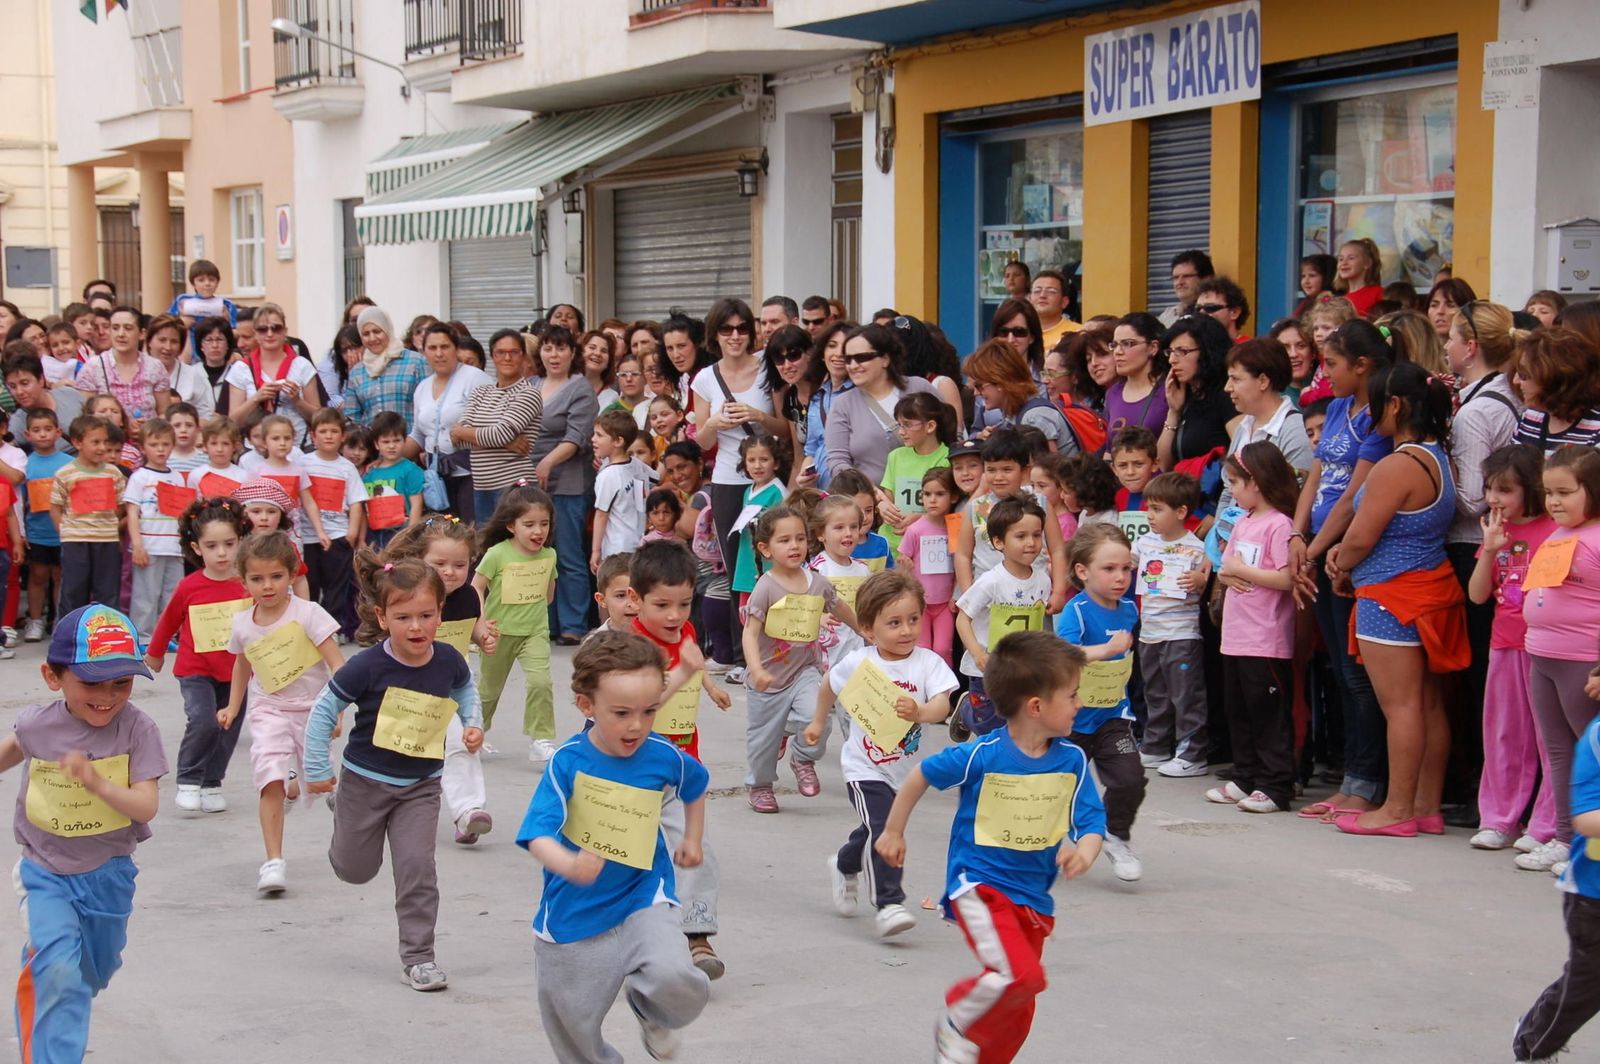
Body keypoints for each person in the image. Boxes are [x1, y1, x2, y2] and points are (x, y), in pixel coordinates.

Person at [874, 630, 1104, 1064]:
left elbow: (1091, 821)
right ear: (1036, 707)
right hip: (979, 886)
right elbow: (923, 773)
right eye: (1072, 695)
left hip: (1033, 899)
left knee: (1020, 1001)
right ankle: (955, 1024)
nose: (1080, 703)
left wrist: (1085, 852)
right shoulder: (983, 755)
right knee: (1017, 975)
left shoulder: (1072, 760)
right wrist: (893, 830)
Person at [517, 631, 712, 1064]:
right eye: (622, 713)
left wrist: (693, 838)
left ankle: (652, 1010)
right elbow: (536, 833)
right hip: (573, 912)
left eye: (648, 711)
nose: (637, 726)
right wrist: (569, 864)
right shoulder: (568, 762)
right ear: (587, 706)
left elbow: (695, 786)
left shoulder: (662, 753)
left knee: (676, 976)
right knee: (571, 1023)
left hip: (644, 894)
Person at [306, 556, 483, 992]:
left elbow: (464, 687)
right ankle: (341, 809)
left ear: (441, 613)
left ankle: (419, 957)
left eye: (426, 615)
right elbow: (325, 709)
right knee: (354, 870)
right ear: (383, 618)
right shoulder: (367, 666)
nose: (416, 627)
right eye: (403, 617)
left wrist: (473, 722)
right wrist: (316, 767)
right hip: (364, 780)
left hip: (420, 787)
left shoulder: (447, 660)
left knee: (417, 867)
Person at [5, 604, 167, 1064]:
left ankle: (53, 967)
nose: (108, 696)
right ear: (53, 677)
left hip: (109, 875)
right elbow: (17, 746)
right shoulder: (40, 723)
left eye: (122, 682)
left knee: (94, 971)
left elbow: (146, 804)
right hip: (46, 870)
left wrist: (96, 781)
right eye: (91, 682)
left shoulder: (139, 729)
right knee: (58, 972)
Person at [1327, 363, 1465, 837]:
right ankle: (1425, 806)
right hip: (1432, 588)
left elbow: (1362, 537)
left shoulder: (1396, 465)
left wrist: (1339, 562)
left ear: (1396, 406)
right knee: (1427, 705)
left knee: (1400, 706)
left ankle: (1398, 809)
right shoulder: (1437, 458)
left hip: (1391, 596)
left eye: (1377, 401)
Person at [804, 569, 958, 940]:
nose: (906, 630)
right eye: (894, 623)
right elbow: (829, 684)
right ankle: (889, 903)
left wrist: (921, 712)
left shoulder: (928, 662)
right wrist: (817, 720)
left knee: (875, 827)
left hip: (904, 771)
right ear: (869, 629)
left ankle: (844, 864)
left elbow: (942, 704)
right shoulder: (861, 663)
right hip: (864, 765)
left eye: (912, 620)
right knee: (886, 827)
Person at [1290, 320, 1394, 821]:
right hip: (1316, 544)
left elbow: (1356, 493)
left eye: (1331, 364)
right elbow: (1316, 477)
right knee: (1336, 667)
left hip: (1347, 552)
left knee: (1357, 676)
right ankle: (1354, 778)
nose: (1323, 373)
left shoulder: (1378, 417)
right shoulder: (1333, 408)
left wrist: (1318, 550)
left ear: (1363, 366)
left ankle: (1365, 781)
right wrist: (1296, 535)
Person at [218, 531, 344, 893]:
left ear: (292, 575)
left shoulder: (308, 614)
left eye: (276, 576)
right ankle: (273, 861)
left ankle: (323, 787)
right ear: (243, 581)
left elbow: (337, 664)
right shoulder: (243, 623)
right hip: (268, 708)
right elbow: (243, 665)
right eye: (257, 579)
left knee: (318, 782)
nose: (267, 586)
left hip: (314, 709)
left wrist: (336, 711)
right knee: (268, 776)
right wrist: (232, 706)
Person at [1466, 445, 1558, 854]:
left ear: (1531, 489)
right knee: (1504, 733)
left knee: (1549, 737)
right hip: (1504, 644)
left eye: (1505, 489)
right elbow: (1478, 594)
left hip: (1546, 648)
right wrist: (1489, 548)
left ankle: (1547, 825)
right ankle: (1499, 818)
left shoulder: (1555, 530)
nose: (1494, 499)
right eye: (1489, 488)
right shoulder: (1494, 533)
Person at [1515, 445, 1600, 875]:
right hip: (1542, 655)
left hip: (1583, 660)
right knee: (1559, 752)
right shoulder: (1557, 533)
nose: (1554, 502)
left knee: (1593, 753)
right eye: (1549, 492)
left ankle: (1591, 843)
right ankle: (1567, 839)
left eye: (1565, 492)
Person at [740, 506, 858, 813]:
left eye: (800, 539)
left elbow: (838, 606)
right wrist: (756, 670)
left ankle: (803, 757)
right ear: (765, 548)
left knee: (816, 717)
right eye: (784, 540)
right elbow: (750, 634)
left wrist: (864, 630)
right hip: (767, 678)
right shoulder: (765, 587)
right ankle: (761, 785)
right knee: (763, 742)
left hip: (805, 670)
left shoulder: (817, 582)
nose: (794, 546)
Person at [1207, 443, 1300, 813]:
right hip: (1236, 635)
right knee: (1239, 708)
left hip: (1266, 637)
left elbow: (1285, 578)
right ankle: (1246, 775)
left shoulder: (1279, 523)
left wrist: (1242, 573)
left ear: (1257, 483)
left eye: (1236, 482)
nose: (1232, 489)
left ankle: (1276, 783)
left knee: (1267, 712)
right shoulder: (1243, 520)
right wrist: (1232, 574)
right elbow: (1225, 565)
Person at [145, 496, 251, 811]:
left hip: (236, 672)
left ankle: (212, 783)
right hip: (196, 669)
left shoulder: (248, 585)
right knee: (204, 720)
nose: (222, 553)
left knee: (227, 727)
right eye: (212, 545)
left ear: (241, 542)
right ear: (197, 549)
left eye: (229, 544)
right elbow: (168, 621)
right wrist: (156, 652)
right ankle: (189, 778)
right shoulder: (190, 586)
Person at [1056, 524, 1147, 881]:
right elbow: (1064, 654)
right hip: (1071, 718)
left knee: (1131, 779)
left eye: (1126, 568)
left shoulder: (1128, 611)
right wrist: (1105, 651)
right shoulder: (1075, 611)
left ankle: (1115, 834)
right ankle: (1036, 844)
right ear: (1082, 571)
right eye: (1109, 569)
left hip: (1113, 714)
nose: (1120, 577)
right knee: (1059, 789)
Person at [1130, 473, 1210, 777]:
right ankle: (1155, 746)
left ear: (1181, 512)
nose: (1150, 516)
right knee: (1156, 692)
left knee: (1186, 695)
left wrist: (1200, 580)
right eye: (1149, 508)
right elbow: (1129, 560)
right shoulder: (1146, 541)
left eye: (1158, 509)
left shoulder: (1194, 547)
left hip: (1181, 635)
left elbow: (1204, 581)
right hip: (1150, 633)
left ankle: (1192, 754)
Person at [473, 484, 559, 763]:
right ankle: (475, 732)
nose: (538, 531)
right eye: (529, 524)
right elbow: (476, 587)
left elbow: (548, 595)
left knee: (540, 683)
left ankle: (541, 738)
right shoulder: (497, 553)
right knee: (488, 690)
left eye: (544, 524)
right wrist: (482, 622)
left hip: (534, 631)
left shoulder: (549, 555)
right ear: (511, 525)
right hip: (498, 632)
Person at [953, 497, 1053, 736]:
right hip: (987, 667)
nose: (1031, 543)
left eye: (1037, 535)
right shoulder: (990, 581)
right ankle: (967, 709)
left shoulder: (1043, 579)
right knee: (986, 723)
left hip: (1022, 666)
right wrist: (978, 654)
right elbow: (963, 618)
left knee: (1015, 721)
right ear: (999, 542)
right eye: (1020, 536)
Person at [529, 325, 600, 645]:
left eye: (560, 348)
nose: (553, 355)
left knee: (568, 555)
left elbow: (576, 437)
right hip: (531, 483)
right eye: (547, 348)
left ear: (573, 353)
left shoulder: (580, 388)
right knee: (539, 555)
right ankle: (548, 622)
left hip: (569, 482)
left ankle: (573, 623)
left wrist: (548, 462)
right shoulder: (531, 384)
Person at [823, 323, 941, 484]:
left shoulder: (919, 388)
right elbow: (837, 460)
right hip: (872, 502)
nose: (853, 365)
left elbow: (950, 435)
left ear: (885, 359)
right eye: (848, 359)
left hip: (934, 497)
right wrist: (870, 492)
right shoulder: (843, 404)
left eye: (862, 357)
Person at [454, 328, 543, 524]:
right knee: (487, 550)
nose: (507, 358)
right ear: (493, 356)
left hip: (515, 486)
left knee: (515, 549)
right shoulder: (480, 392)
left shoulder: (529, 394)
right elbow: (457, 442)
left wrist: (462, 430)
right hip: (481, 487)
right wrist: (505, 443)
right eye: (501, 352)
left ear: (523, 357)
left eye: (514, 352)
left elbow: (499, 434)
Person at [298, 409, 368, 640]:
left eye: (334, 431)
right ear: (313, 435)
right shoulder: (303, 462)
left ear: (342, 436)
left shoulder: (346, 467)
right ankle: (307, 629)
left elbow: (357, 502)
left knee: (335, 587)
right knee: (309, 584)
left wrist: (352, 533)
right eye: (323, 431)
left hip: (338, 535)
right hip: (307, 537)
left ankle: (333, 629)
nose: (328, 436)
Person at [410, 323, 490, 520]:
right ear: (424, 352)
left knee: (473, 533)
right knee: (444, 535)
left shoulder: (474, 378)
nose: (439, 353)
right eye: (432, 348)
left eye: (444, 347)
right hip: (437, 476)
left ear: (456, 349)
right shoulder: (422, 387)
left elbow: (495, 423)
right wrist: (384, 457)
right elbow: (418, 434)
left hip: (472, 473)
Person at [50, 415, 125, 617]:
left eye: (105, 442)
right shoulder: (65, 473)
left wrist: (109, 525)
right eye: (95, 442)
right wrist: (64, 532)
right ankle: (69, 638)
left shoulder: (114, 473)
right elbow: (55, 506)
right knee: (73, 591)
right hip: (75, 540)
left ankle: (107, 637)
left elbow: (120, 505)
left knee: (107, 591)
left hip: (106, 540)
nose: (102, 448)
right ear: (77, 442)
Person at [121, 417, 186, 643]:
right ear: (143, 447)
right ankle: (143, 637)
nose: (161, 450)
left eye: (166, 444)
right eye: (154, 444)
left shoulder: (177, 477)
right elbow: (132, 512)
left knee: (172, 595)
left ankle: (167, 636)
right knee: (145, 596)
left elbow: (183, 514)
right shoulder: (140, 477)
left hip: (174, 546)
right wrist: (137, 545)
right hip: (149, 545)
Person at [223, 303, 322, 447]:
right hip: (256, 451)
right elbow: (233, 422)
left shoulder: (302, 365)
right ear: (256, 333)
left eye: (276, 328)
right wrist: (256, 398)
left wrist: (297, 401)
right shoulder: (241, 368)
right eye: (263, 329)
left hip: (296, 448)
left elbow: (319, 418)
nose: (270, 334)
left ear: (285, 331)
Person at [964, 340, 1076, 455]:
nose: (976, 393)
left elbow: (1049, 469)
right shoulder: (1016, 414)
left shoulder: (1034, 417)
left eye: (979, 386)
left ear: (1000, 382)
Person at [897, 467, 959, 667]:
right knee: (921, 648)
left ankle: (945, 694)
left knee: (943, 649)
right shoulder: (915, 530)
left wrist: (955, 594)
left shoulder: (955, 529)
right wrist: (905, 567)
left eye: (940, 494)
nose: (932, 500)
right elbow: (902, 563)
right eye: (927, 494)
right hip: (919, 604)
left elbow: (961, 562)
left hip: (944, 604)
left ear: (953, 497)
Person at [877, 392, 954, 549]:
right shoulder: (896, 456)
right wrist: (882, 506)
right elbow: (888, 498)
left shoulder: (949, 458)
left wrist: (920, 517)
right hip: (889, 544)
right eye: (899, 425)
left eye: (908, 424)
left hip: (927, 545)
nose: (901, 431)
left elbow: (951, 507)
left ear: (930, 426)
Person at [1158, 313, 1235, 470]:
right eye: (1170, 352)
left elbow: (1244, 454)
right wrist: (1173, 412)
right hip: (1183, 491)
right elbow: (1162, 465)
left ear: (1207, 352)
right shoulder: (1184, 396)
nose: (1172, 359)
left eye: (1182, 351)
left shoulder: (1227, 395)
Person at [74, 307, 171, 424]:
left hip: (149, 438)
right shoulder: (93, 367)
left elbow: (164, 413)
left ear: (141, 334)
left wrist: (147, 429)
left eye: (128, 328)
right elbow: (86, 417)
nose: (121, 334)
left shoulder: (155, 367)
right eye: (115, 328)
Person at [1512, 327, 1600, 455]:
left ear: (1553, 380)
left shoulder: (1596, 429)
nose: (1515, 381)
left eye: (1524, 375)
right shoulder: (1530, 418)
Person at [20, 409, 69, 641]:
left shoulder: (69, 463)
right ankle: (35, 620)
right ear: (27, 434)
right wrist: (22, 531)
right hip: (37, 532)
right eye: (37, 430)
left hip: (64, 532)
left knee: (61, 576)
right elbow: (20, 502)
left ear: (58, 432)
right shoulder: (25, 465)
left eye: (48, 429)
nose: (43, 435)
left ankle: (60, 620)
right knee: (38, 575)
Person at [343, 306, 428, 430]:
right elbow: (352, 418)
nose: (372, 338)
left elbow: (428, 408)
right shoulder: (357, 372)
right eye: (366, 334)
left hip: (411, 445)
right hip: (372, 446)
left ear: (387, 329)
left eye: (377, 331)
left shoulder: (416, 362)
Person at [589, 410, 652, 571]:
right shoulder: (638, 465)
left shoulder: (608, 476)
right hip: (638, 541)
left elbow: (602, 515)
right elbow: (656, 478)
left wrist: (595, 551)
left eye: (599, 435)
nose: (593, 439)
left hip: (616, 549)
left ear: (618, 441)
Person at [363, 411, 425, 549]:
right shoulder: (369, 473)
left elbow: (416, 504)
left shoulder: (410, 469)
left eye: (396, 440)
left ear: (404, 440)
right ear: (377, 444)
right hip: (374, 532)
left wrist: (411, 534)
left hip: (400, 531)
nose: (391, 446)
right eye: (386, 441)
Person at [803, 322, 854, 489]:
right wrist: (804, 477)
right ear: (823, 353)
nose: (838, 354)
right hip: (819, 492)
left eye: (846, 348)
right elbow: (812, 448)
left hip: (851, 490)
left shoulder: (860, 395)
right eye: (832, 346)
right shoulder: (818, 395)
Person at [6, 347, 85, 450]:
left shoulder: (69, 394)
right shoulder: (17, 424)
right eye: (13, 386)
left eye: (25, 383)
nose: (19, 391)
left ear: (41, 380)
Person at [1107, 312, 1170, 439]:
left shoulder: (1169, 389)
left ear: (1153, 347)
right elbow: (1109, 450)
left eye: (1128, 344)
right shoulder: (1113, 393)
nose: (1118, 352)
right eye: (1114, 345)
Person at [144, 314, 214, 420]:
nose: (168, 347)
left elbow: (206, 417)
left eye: (174, 342)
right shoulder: (137, 371)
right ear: (149, 341)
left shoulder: (193, 375)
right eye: (162, 340)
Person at [1160, 249, 1214, 326]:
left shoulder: (1216, 313)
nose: (1179, 282)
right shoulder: (1167, 316)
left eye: (1186, 276)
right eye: (1175, 277)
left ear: (1207, 279)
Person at [1030, 268, 1080, 351]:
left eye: (1051, 291)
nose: (1042, 295)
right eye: (1037, 291)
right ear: (1029, 299)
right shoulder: (1018, 334)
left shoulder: (1078, 334)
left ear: (1064, 302)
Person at [1333, 238, 1384, 316]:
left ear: (1367, 263)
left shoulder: (1379, 293)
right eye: (1341, 259)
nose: (1344, 263)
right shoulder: (1339, 301)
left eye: (1351, 258)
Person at [1193, 276, 1251, 341]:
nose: (1202, 312)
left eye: (1210, 308)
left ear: (1234, 312)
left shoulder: (1250, 348)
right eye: (1198, 309)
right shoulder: (1191, 347)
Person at [1426, 276, 1478, 344]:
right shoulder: (1419, 350)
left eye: (1450, 306)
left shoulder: (1478, 352)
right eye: (1434, 305)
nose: (1440, 311)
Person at [1294, 253, 1337, 318]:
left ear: (1327, 277)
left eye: (1312, 275)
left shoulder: (1332, 303)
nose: (1306, 281)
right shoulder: (1305, 303)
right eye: (1303, 276)